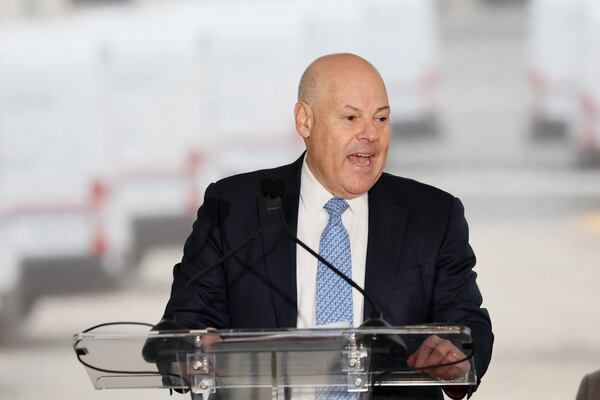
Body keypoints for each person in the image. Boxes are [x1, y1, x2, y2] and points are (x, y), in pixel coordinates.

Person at [163, 53, 493, 399]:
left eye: (381, 119)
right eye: (351, 117)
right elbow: (185, 324)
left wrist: (457, 356)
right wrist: (191, 349)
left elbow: (466, 323)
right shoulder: (235, 207)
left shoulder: (432, 215)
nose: (370, 134)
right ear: (305, 120)